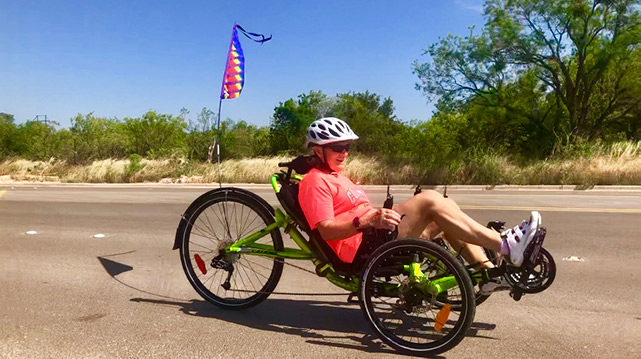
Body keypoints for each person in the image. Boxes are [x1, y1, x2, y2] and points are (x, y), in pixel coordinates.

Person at [298, 117, 541, 291]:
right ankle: (505, 245)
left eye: (347, 147)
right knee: (429, 200)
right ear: (318, 150)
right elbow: (327, 230)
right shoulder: (314, 182)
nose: (345, 153)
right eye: (338, 148)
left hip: (376, 234)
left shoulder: (337, 176)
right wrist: (368, 220)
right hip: (362, 247)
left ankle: (487, 272)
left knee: (446, 209)